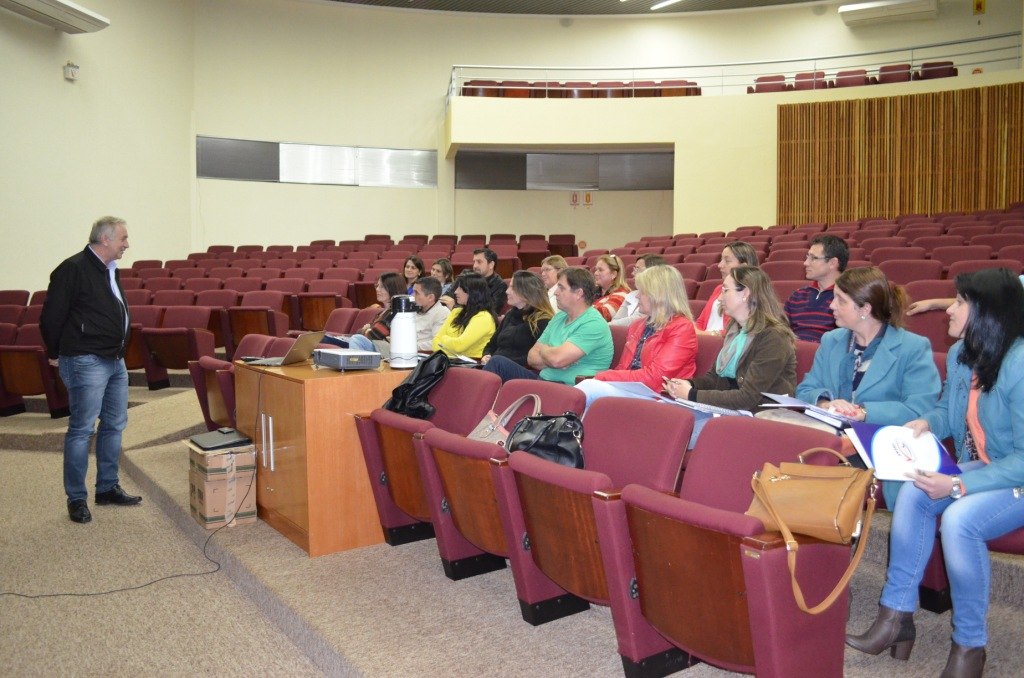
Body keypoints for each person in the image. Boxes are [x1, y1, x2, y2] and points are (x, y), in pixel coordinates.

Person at [846, 268, 1024, 678]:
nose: (949, 310)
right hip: (995, 465)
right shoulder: (966, 355)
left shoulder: (1018, 363)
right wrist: (925, 423)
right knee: (914, 491)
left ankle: (969, 646)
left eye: (960, 302)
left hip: (1015, 472)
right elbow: (948, 411)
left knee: (960, 519)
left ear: (987, 312)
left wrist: (960, 483)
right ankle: (896, 617)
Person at [795, 266, 941, 504]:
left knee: (817, 475)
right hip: (831, 438)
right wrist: (826, 402)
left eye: (840, 300)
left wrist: (863, 412)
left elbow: (919, 407)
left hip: (879, 444)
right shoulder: (832, 341)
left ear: (864, 309)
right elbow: (805, 389)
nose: (831, 305)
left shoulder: (912, 347)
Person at [39, 216, 141, 524]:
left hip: (114, 359)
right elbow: (51, 317)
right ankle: (77, 498)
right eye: (123, 238)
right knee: (82, 429)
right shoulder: (72, 269)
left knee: (114, 424)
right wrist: (56, 354)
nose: (127, 243)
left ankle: (107, 487)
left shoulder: (111, 270)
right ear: (106, 239)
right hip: (85, 359)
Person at [665, 265, 796, 445]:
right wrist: (688, 383)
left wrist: (692, 394)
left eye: (725, 290)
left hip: (758, 415)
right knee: (665, 416)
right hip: (730, 409)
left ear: (745, 294)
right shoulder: (736, 330)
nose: (719, 297)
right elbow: (714, 379)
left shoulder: (772, 337)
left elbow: (748, 397)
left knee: (677, 434)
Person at [577, 265, 697, 408]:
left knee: (590, 389)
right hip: (634, 389)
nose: (637, 296)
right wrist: (605, 377)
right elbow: (623, 368)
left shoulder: (681, 328)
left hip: (661, 396)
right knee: (590, 390)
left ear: (659, 295)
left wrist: (603, 376)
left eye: (642, 292)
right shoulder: (638, 325)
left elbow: (655, 378)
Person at [483, 267, 613, 385]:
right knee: (497, 363)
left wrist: (545, 351)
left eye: (561, 288)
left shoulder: (593, 324)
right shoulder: (559, 317)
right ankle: (477, 409)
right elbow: (531, 358)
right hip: (544, 381)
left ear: (579, 293)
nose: (555, 292)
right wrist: (554, 354)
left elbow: (557, 360)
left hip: (568, 387)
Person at [349, 275, 449, 356]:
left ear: (430, 297)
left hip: (411, 353)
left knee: (358, 340)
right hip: (394, 347)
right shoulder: (414, 308)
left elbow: (437, 343)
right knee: (356, 340)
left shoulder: (441, 313)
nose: (412, 296)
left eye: (416, 293)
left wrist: (408, 345)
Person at [480, 271, 554, 368]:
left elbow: (536, 358)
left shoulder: (543, 321)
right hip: (497, 365)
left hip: (522, 371)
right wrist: (487, 355)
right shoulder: (510, 315)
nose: (507, 291)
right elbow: (491, 345)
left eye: (512, 288)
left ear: (526, 293)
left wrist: (501, 361)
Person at [784, 234, 849, 342]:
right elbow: (781, 331)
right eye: (807, 257)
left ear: (833, 263)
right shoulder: (797, 295)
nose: (806, 263)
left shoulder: (848, 298)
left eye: (813, 258)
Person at [695, 241, 759, 336]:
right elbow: (700, 322)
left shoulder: (751, 293)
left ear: (743, 267)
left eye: (727, 261)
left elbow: (739, 329)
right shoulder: (718, 289)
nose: (719, 265)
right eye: (721, 260)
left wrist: (705, 335)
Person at [431, 272, 497, 359]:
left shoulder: (484, 317)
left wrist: (443, 339)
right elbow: (435, 342)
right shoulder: (456, 312)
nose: (455, 291)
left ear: (472, 292)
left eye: (460, 288)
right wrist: (451, 346)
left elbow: (460, 346)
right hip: (449, 361)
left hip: (472, 366)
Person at [441, 248, 507, 313]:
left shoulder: (500, 285)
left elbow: (490, 313)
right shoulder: (465, 275)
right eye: (474, 261)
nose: (475, 266)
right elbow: (446, 297)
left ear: (491, 265)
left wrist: (455, 307)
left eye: (479, 262)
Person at [610, 254, 667, 327]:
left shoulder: (659, 297)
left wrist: (602, 326)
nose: (633, 273)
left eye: (637, 269)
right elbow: (615, 321)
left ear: (651, 272)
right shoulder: (632, 295)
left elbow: (638, 320)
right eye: (634, 269)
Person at [356, 272, 408, 341]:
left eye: (382, 287)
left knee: (355, 339)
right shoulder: (380, 313)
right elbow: (360, 332)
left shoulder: (393, 313)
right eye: (377, 286)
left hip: (380, 350)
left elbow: (372, 336)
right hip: (368, 346)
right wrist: (366, 330)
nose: (377, 289)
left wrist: (366, 330)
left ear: (393, 289)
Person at [592, 253, 630, 321]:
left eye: (600, 270)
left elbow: (604, 314)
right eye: (596, 270)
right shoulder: (593, 291)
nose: (596, 273)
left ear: (613, 274)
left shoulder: (622, 294)